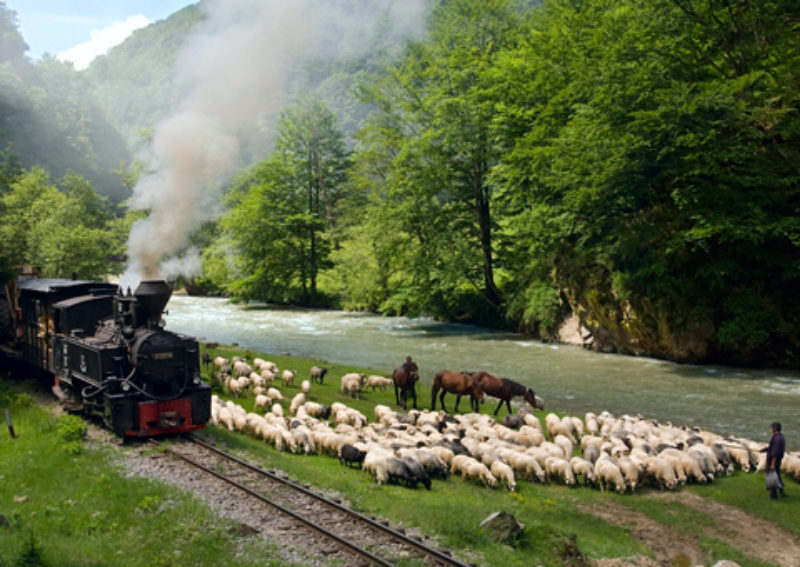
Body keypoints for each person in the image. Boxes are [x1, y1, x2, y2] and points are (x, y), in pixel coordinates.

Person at [761, 422, 785, 499]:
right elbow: (772, 448)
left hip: (773, 461)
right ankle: (781, 492)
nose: (771, 429)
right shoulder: (780, 437)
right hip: (778, 461)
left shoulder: (776, 438)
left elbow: (775, 452)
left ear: (775, 428)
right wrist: (765, 449)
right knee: (777, 475)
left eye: (772, 428)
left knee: (772, 477)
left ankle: (773, 495)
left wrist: (772, 464)